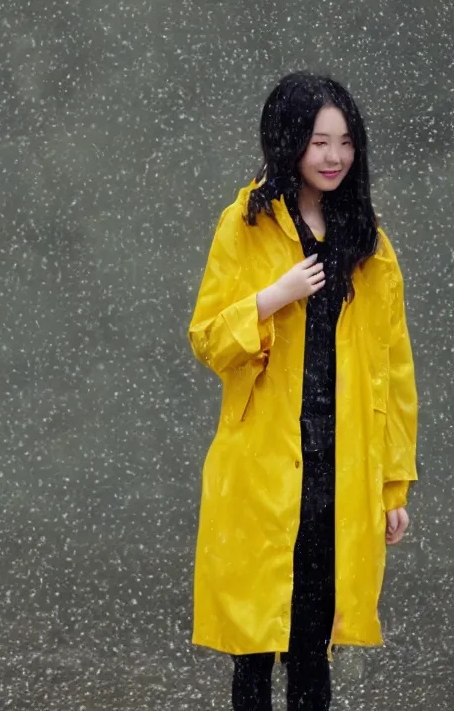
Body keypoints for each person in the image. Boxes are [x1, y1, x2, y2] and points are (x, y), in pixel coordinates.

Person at [188, 73, 418, 710]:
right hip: (261, 465)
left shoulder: (368, 242)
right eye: (319, 141)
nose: (334, 157)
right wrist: (271, 298)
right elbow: (208, 338)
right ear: (288, 140)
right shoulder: (246, 224)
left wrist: (392, 484)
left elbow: (392, 373)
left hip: (337, 470)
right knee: (255, 647)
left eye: (345, 142)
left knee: (315, 647)